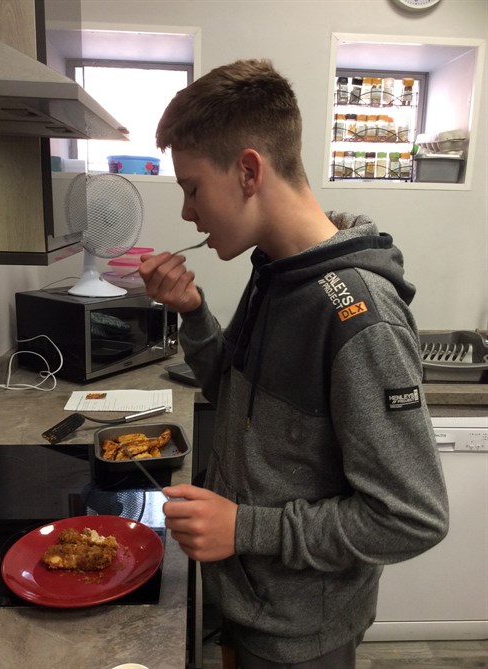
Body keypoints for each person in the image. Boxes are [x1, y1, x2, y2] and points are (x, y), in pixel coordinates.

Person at [137, 59, 449, 669]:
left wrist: (245, 529)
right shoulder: (275, 272)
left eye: (192, 188)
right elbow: (235, 394)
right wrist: (195, 313)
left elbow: (412, 517)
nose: (186, 213)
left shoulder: (358, 315)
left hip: (300, 635)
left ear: (249, 171)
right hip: (245, 601)